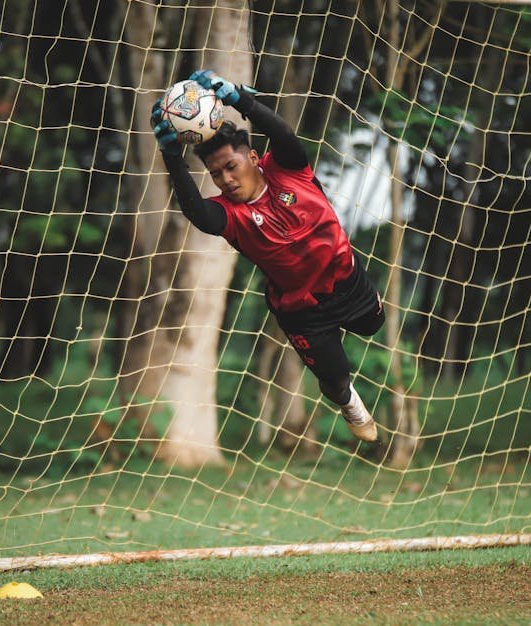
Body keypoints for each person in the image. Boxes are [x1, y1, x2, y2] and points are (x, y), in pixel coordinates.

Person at [150, 69, 384, 442]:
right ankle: (350, 402)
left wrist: (242, 101)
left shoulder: (288, 170)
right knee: (335, 379)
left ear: (254, 158)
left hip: (346, 280)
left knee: (373, 325)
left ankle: (349, 362)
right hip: (302, 310)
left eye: (231, 166)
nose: (226, 178)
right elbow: (196, 212)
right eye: (216, 174)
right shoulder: (231, 216)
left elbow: (285, 135)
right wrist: (172, 156)